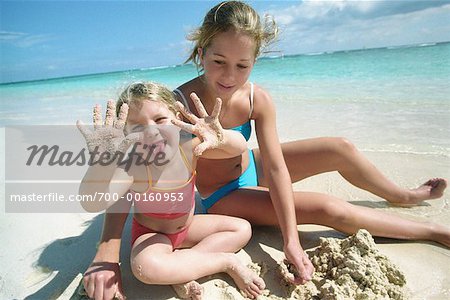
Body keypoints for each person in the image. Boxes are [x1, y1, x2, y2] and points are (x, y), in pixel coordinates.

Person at [85, 0, 449, 296]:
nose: (229, 76)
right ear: (201, 53)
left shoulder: (258, 98)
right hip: (220, 193)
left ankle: (401, 196)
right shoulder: (177, 106)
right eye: (218, 62)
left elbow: (275, 168)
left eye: (242, 65)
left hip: (249, 166)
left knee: (341, 147)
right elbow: (130, 175)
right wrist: (107, 250)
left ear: (255, 60)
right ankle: (433, 232)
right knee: (327, 208)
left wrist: (290, 239)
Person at [77, 81, 265, 299]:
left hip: (188, 228)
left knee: (242, 229)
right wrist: (100, 166)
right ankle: (225, 262)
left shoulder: (189, 149)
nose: (151, 131)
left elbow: (239, 146)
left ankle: (181, 269)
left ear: (178, 118)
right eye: (137, 127)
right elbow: (93, 202)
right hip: (152, 235)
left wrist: (220, 138)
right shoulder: (133, 168)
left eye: (160, 120)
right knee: (144, 268)